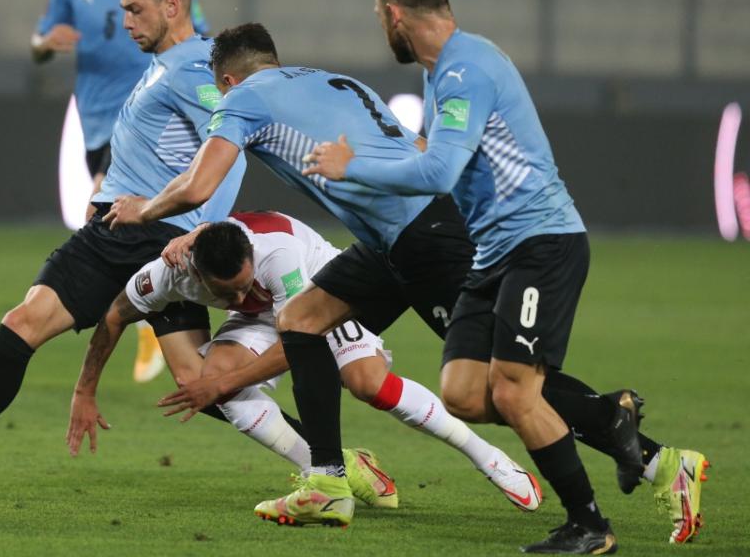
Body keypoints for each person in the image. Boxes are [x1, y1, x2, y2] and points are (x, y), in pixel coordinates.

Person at [104, 22, 680, 543]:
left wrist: (143, 210)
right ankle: (327, 483)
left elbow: (201, 181)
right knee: (301, 320)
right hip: (393, 239)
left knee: (500, 383)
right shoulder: (334, 83)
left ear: (227, 78)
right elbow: (416, 146)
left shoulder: (243, 99)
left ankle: (632, 440)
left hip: (421, 241)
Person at [300, 0, 708, 551]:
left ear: (394, 14)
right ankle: (611, 418)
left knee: (517, 390)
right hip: (494, 254)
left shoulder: (467, 69)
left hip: (541, 243)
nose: (380, 27)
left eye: (377, 16)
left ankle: (589, 526)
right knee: (465, 393)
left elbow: (439, 169)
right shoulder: (441, 74)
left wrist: (351, 168)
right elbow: (435, 151)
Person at [0, 0, 245, 496]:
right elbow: (153, 149)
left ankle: (328, 456)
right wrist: (107, 191)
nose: (126, 22)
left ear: (172, 5)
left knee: (196, 381)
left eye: (135, 11)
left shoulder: (195, 67)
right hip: (116, 232)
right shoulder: (162, 64)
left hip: (163, 240)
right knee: (23, 323)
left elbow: (230, 148)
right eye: (123, 10)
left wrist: (203, 227)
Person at [69, 212, 546, 527]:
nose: (236, 298)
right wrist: (84, 392)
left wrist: (222, 382)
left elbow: (302, 341)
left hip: (326, 294)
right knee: (207, 384)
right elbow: (114, 316)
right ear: (194, 274)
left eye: (242, 284)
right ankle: (329, 472)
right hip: (268, 319)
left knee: (367, 384)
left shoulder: (278, 257)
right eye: (225, 292)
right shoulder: (168, 273)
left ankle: (487, 456)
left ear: (251, 259)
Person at [32, 0, 209, 383]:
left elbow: (202, 42)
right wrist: (45, 45)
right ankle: (152, 309)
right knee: (118, 225)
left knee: (99, 216)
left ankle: (120, 308)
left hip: (147, 132)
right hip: (97, 123)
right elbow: (38, 43)